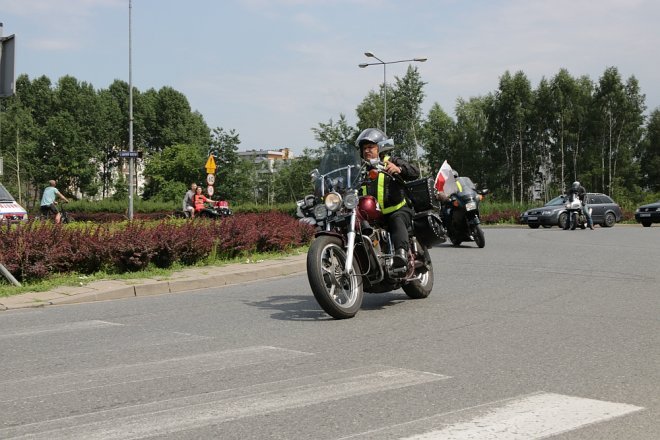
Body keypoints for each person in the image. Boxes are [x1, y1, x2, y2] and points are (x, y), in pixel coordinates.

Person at [356, 128, 420, 270]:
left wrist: (399, 169)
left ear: (380, 148)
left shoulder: (390, 161)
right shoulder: (359, 171)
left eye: (371, 147)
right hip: (373, 216)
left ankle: (401, 254)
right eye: (364, 148)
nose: (367, 150)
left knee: (396, 219)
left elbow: (415, 172)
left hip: (397, 209)